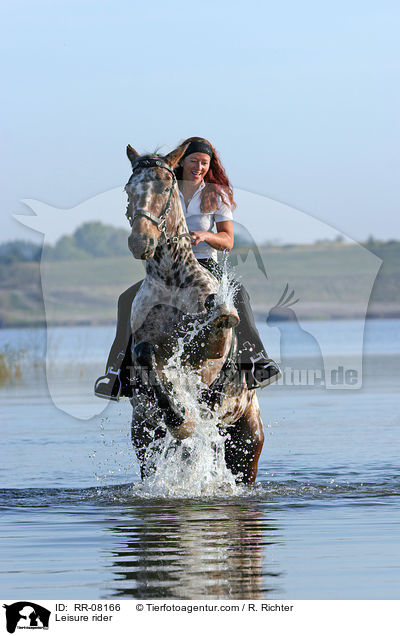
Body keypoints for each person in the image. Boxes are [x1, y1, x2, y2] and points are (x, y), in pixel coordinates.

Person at [94, 137, 281, 400]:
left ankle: (255, 360)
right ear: (182, 162)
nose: (199, 167)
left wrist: (206, 236)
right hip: (166, 267)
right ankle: (116, 375)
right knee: (126, 300)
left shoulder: (216, 194)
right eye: (194, 161)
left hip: (204, 264)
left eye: (204, 163)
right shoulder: (164, 187)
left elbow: (227, 240)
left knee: (239, 294)